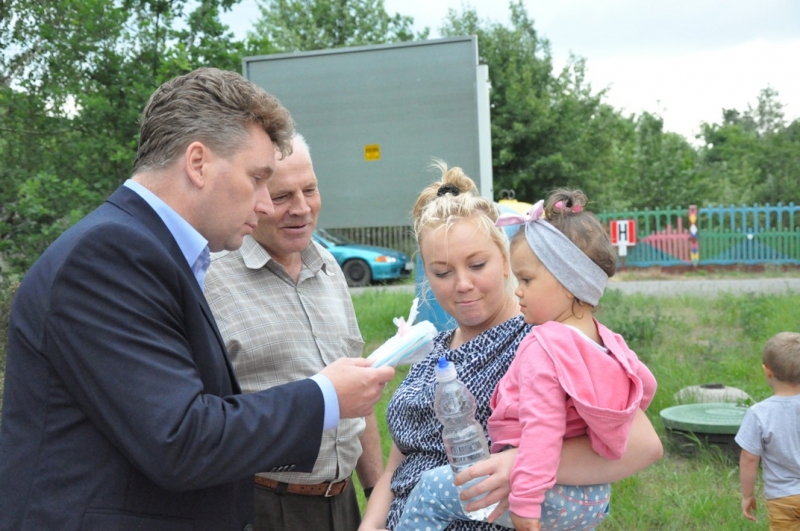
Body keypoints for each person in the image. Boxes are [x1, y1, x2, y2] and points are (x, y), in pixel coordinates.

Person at [0, 67, 394, 531]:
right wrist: (324, 396)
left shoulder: (147, 250)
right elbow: (180, 440)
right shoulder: (110, 255)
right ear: (198, 163)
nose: (265, 203)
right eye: (257, 178)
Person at [359, 163, 663, 531]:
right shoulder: (433, 353)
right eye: (442, 272)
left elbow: (642, 445)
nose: (462, 283)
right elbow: (398, 468)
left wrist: (518, 463)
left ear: (506, 261)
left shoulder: (544, 339)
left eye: (477, 264)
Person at [204, 133, 383, 531]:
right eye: (283, 196)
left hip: (343, 504)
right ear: (254, 197)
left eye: (310, 190)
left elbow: (359, 390)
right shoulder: (210, 278)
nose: (301, 208)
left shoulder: (329, 268)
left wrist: (376, 493)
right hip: (261, 506)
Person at [736, 331, 800, 529]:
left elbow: (749, 457)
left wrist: (747, 495)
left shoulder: (759, 413)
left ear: (767, 371)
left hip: (783, 497)